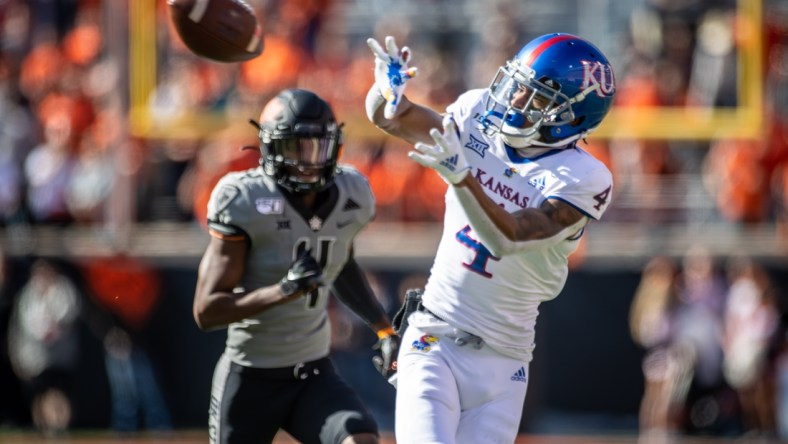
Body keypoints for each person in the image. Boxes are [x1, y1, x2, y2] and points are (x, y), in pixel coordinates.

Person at [365, 33, 616, 443]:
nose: (515, 101)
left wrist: (463, 177)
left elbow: (510, 238)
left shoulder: (583, 178)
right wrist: (383, 93)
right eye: (517, 87)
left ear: (573, 116)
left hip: (505, 362)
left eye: (535, 98)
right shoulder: (477, 112)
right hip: (435, 337)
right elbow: (394, 117)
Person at [193, 88, 399, 444]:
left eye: (317, 147)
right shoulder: (244, 199)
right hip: (249, 375)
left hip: (312, 374)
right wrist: (283, 290)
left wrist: (384, 329)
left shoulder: (352, 192)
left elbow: (339, 261)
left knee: (360, 440)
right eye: (296, 148)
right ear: (271, 148)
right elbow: (207, 311)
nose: (309, 162)